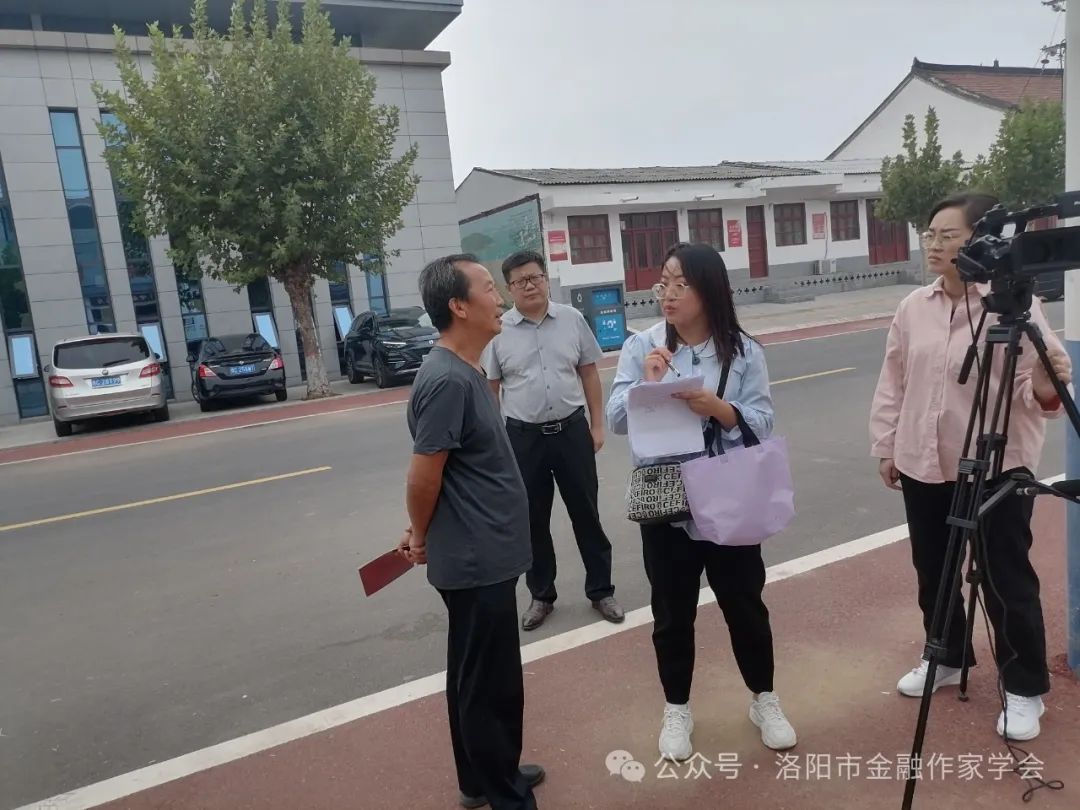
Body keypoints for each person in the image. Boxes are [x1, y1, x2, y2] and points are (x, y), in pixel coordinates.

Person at [869, 192, 1072, 742]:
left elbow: (1038, 392)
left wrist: (1048, 386)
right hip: (924, 461)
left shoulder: (1014, 306)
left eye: (948, 235)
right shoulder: (913, 307)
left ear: (982, 241)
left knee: (1006, 579)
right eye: (929, 234)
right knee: (934, 571)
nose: (934, 245)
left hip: (996, 467)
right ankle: (947, 655)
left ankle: (1024, 687)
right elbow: (894, 381)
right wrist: (887, 445)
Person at [606, 242, 797, 762]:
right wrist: (646, 385)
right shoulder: (641, 345)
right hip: (666, 496)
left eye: (680, 284)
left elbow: (762, 422)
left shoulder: (743, 351)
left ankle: (764, 698)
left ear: (708, 290)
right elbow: (617, 420)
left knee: (745, 605)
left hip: (729, 496)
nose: (667, 294)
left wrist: (719, 408)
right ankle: (677, 708)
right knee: (672, 612)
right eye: (663, 283)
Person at [401, 254, 545, 809]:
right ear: (459, 306)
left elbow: (450, 472)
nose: (501, 298)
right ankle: (506, 794)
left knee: (473, 674)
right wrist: (418, 534)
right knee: (490, 684)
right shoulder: (447, 381)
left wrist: (421, 527)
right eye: (489, 288)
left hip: (484, 551)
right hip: (475, 558)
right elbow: (424, 473)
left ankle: (482, 777)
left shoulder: (465, 372)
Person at [483, 249, 623, 631]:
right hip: (522, 438)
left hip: (571, 432)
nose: (529, 285)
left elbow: (589, 373)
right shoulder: (498, 330)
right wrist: (497, 444)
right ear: (509, 288)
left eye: (535, 277)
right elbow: (492, 389)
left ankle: (601, 590)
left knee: (587, 515)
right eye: (520, 281)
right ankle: (541, 595)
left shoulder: (572, 319)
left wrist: (597, 425)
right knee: (532, 521)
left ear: (546, 279)